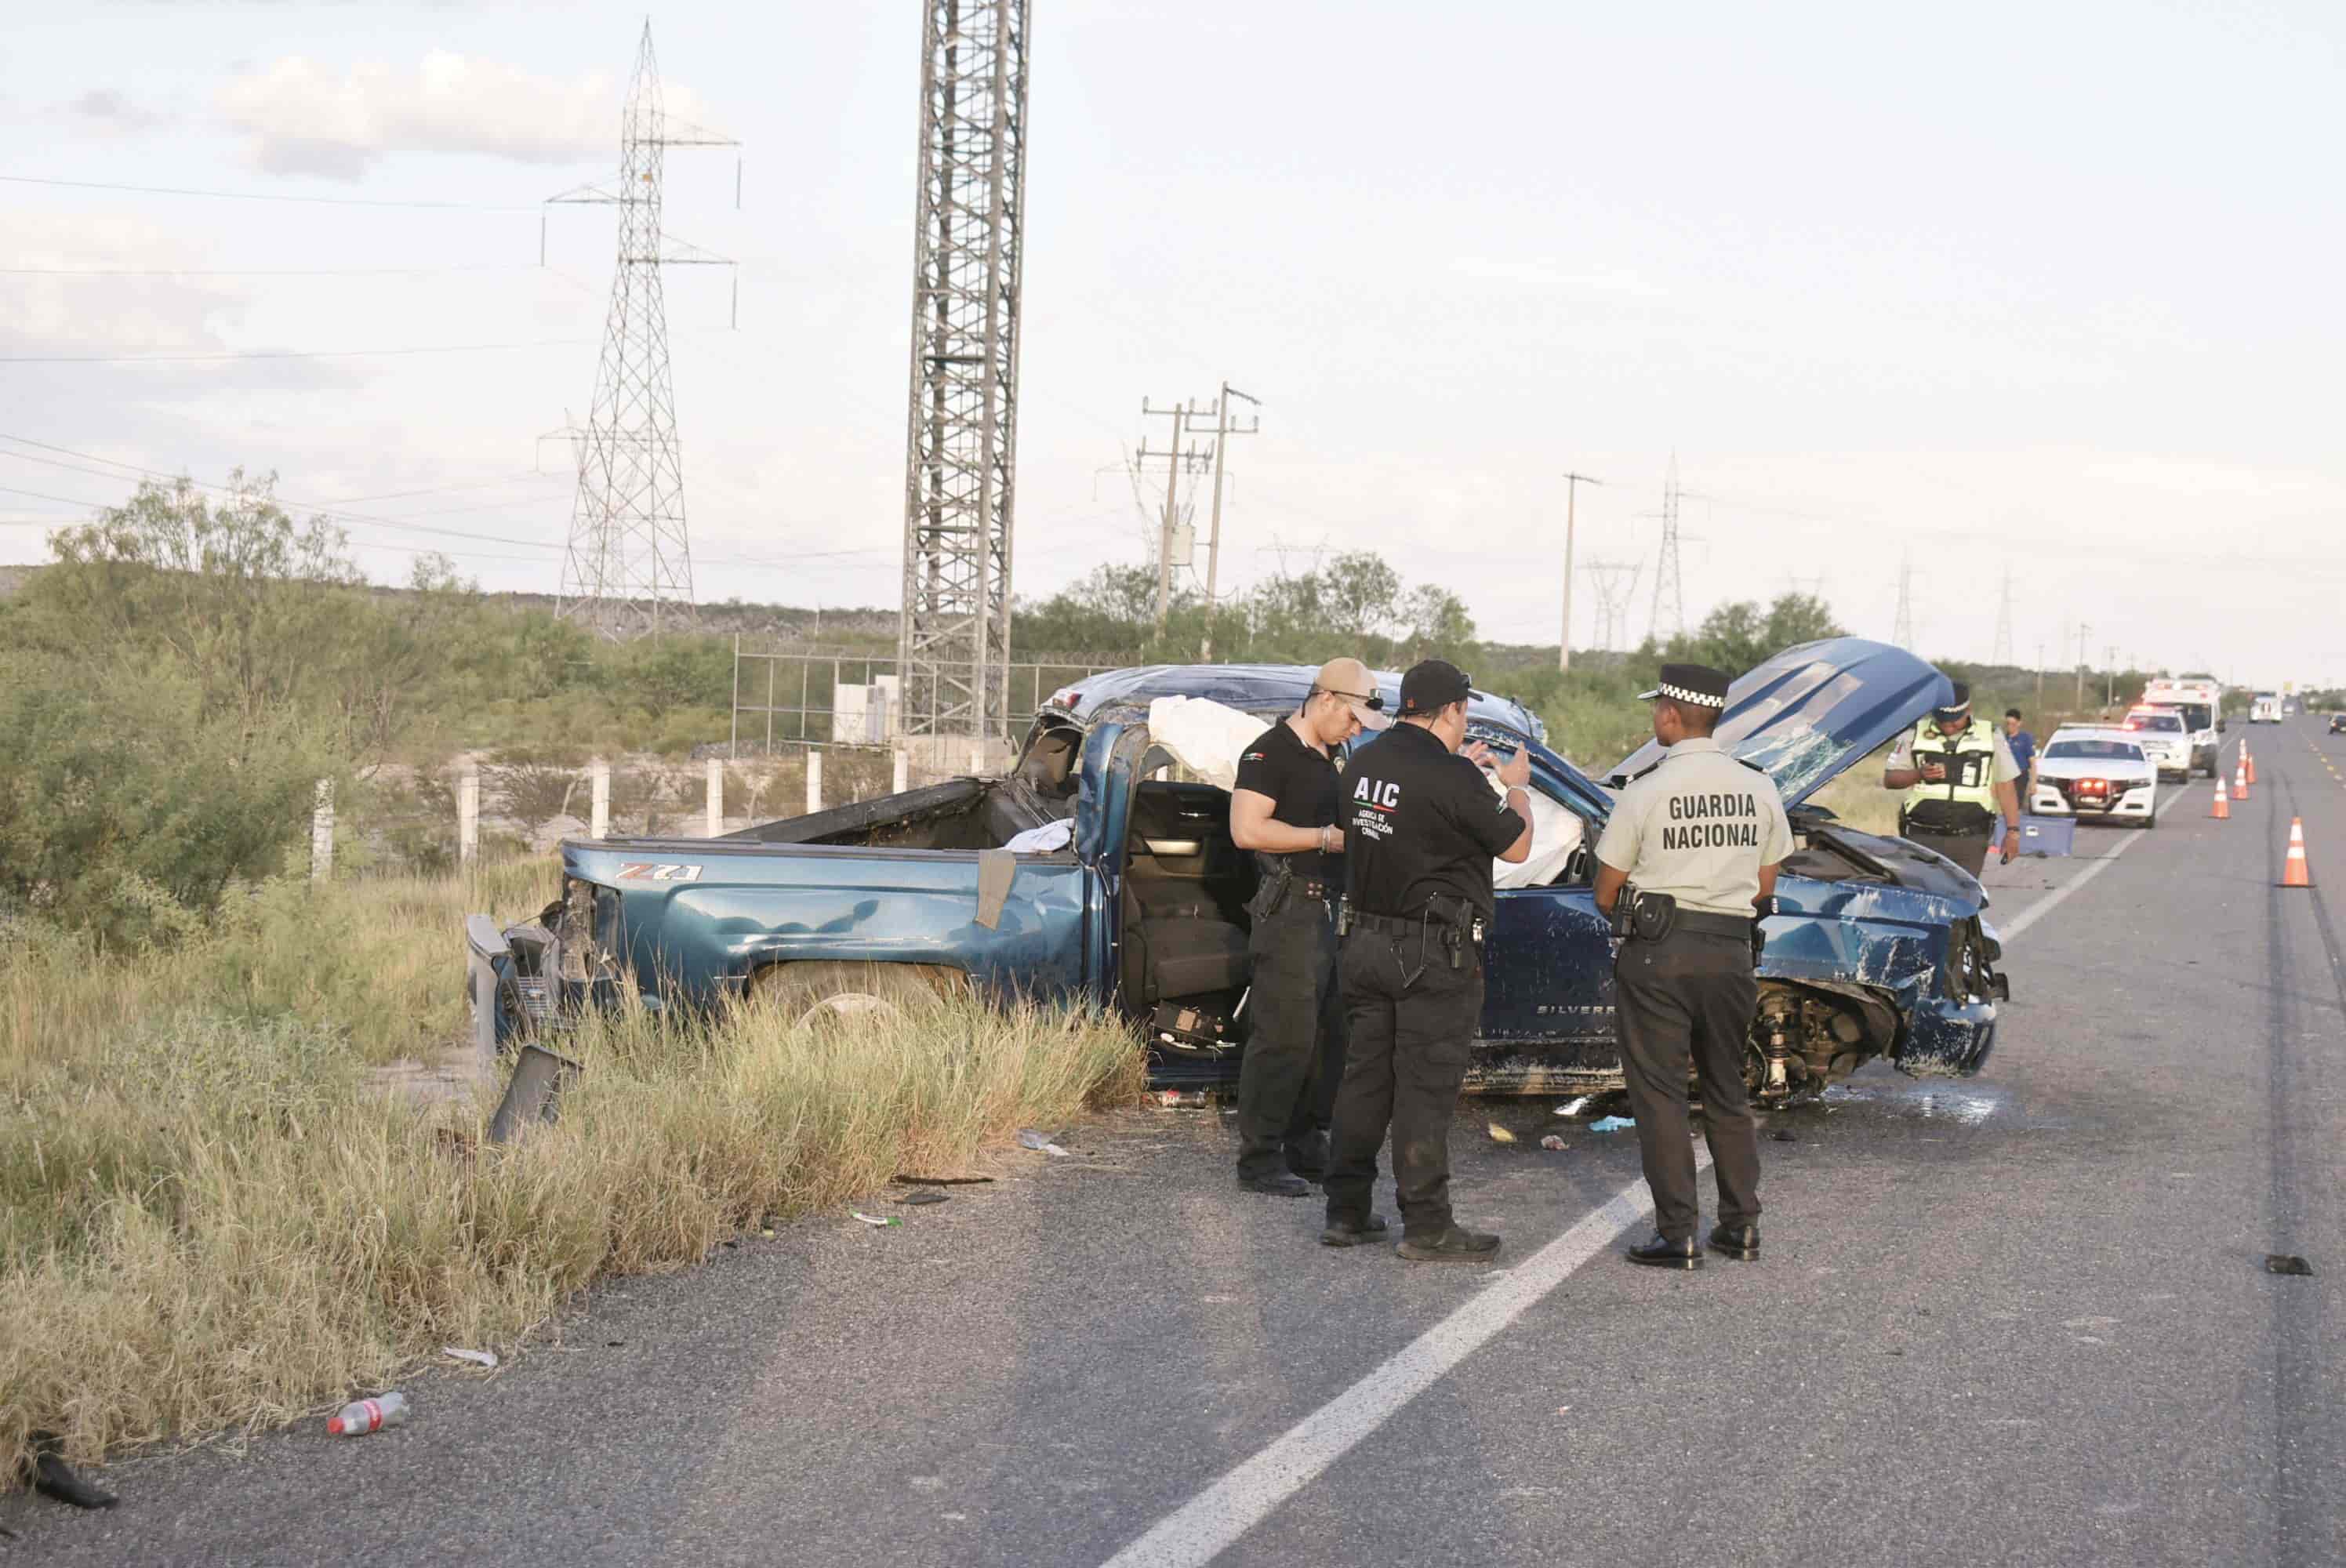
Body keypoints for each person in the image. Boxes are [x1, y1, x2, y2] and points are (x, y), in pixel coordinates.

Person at [1320, 659, 1533, 1261]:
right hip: (1430, 954)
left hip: (1362, 942)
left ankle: (1347, 1211)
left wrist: (1458, 778)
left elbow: (1387, 822)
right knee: (1424, 1090)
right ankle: (1427, 1226)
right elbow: (1517, 846)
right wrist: (1516, 785)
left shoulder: (1362, 763)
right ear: (1454, 712)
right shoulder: (1453, 778)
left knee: (1364, 1080)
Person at [1592, 662, 1791, 1270]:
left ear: (1673, 715)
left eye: (1658, 709)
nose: (1655, 717)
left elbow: (1606, 891)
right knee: (1729, 1092)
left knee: (1661, 1097)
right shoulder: (1758, 785)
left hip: (1659, 954)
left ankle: (1677, 1233)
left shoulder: (1646, 788)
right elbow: (1765, 883)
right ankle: (1741, 1228)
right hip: (1731, 954)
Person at [1226, 657, 1390, 1196]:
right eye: (1352, 718)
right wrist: (1325, 838)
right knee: (1283, 1037)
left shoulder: (1334, 754)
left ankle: (1303, 1139)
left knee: (1327, 1037)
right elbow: (1247, 829)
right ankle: (1260, 1156)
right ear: (1326, 700)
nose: (1355, 730)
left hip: (1332, 910)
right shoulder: (1269, 753)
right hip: (1293, 907)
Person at [1881, 681, 2023, 877]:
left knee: (1963, 901)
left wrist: (2013, 833)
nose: (1948, 727)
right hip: (1921, 836)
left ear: (1968, 710)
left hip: (1970, 839)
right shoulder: (1913, 733)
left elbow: (2006, 786)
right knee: (1923, 898)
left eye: (1954, 720)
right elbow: (1890, 779)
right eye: (1942, 720)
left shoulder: (1991, 735)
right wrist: (1918, 774)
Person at [2003, 708, 2036, 796]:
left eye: (2013, 724)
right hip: (2005, 778)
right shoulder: (2002, 739)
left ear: (2019, 723)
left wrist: (2033, 783)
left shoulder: (2025, 738)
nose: (2010, 726)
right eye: (2008, 724)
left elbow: (2032, 762)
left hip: (2021, 777)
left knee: (2016, 805)